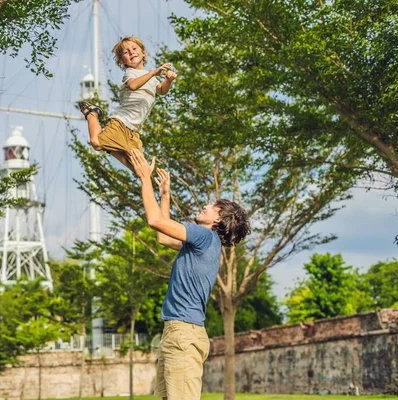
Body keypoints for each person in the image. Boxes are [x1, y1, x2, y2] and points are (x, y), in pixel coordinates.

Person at [128, 148, 251, 400]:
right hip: (177, 332)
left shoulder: (205, 235)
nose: (206, 206)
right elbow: (163, 236)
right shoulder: (204, 243)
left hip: (183, 334)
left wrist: (143, 177)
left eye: (213, 207)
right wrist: (164, 194)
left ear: (219, 220)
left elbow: (155, 221)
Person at [78, 36, 176, 170]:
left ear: (144, 53)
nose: (131, 52)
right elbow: (133, 85)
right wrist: (153, 73)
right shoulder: (130, 73)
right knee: (96, 142)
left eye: (134, 49)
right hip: (121, 122)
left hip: (134, 131)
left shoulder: (151, 77)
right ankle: (92, 114)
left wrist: (169, 81)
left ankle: (112, 148)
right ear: (121, 61)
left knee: (141, 169)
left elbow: (161, 90)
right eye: (126, 52)